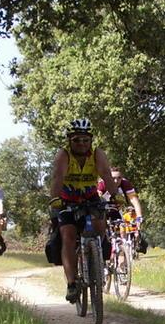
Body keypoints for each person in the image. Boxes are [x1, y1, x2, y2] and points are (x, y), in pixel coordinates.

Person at [49, 119, 118, 302]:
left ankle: (97, 258)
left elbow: (106, 175)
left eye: (85, 140)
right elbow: (57, 178)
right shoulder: (63, 155)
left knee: (100, 226)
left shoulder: (97, 154)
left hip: (90, 197)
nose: (81, 143)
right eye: (77, 140)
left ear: (91, 140)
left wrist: (116, 195)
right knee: (68, 236)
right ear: (70, 140)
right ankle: (72, 283)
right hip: (67, 200)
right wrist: (55, 199)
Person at [97, 166, 146, 252]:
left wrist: (139, 217)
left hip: (117, 210)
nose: (116, 181)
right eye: (113, 178)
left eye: (119, 178)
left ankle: (123, 254)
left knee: (122, 231)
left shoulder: (125, 184)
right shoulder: (102, 184)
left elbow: (134, 201)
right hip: (103, 209)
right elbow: (98, 198)